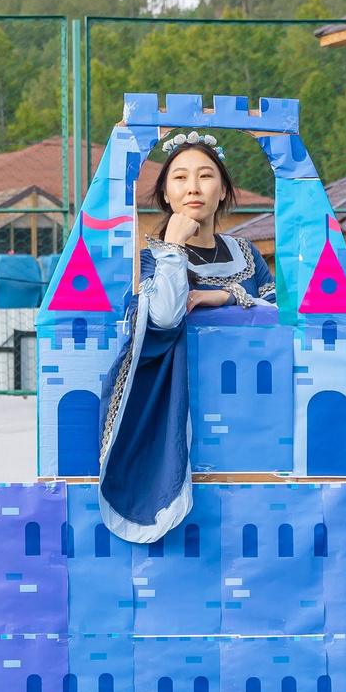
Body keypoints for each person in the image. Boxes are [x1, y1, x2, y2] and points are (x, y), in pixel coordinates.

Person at [90, 133, 277, 542]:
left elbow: (278, 312)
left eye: (205, 175)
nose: (193, 186)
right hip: (182, 401)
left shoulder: (247, 255)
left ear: (223, 189)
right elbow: (164, 317)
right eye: (180, 177)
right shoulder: (149, 259)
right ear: (166, 195)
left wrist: (225, 294)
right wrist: (173, 245)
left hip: (251, 404)